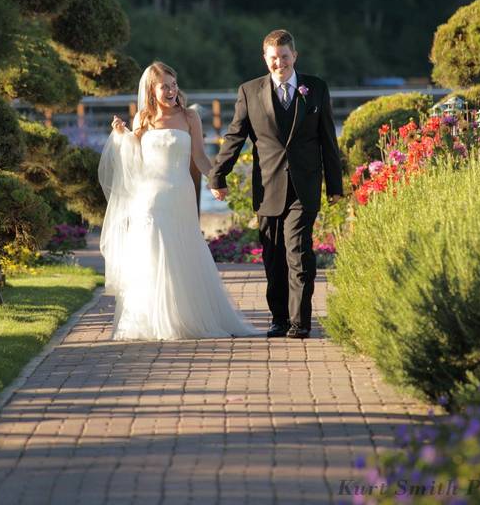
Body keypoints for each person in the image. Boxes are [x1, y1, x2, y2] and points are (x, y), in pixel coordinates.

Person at [98, 61, 258, 340]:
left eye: (174, 85)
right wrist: (122, 136)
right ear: (151, 89)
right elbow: (134, 158)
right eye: (165, 86)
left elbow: (199, 156)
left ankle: (185, 316)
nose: (172, 91)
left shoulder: (189, 117)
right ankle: (155, 319)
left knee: (182, 250)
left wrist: (215, 180)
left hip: (180, 192)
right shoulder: (143, 119)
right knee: (153, 251)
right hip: (149, 196)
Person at [208, 30, 343, 339]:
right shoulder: (249, 91)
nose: (279, 63)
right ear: (265, 59)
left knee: (298, 251)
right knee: (273, 255)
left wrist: (335, 185)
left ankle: (300, 322)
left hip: (304, 185)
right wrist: (219, 174)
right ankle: (279, 319)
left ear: (294, 56)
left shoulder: (316, 88)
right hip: (267, 186)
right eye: (273, 58)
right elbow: (235, 136)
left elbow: (327, 140)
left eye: (284, 57)